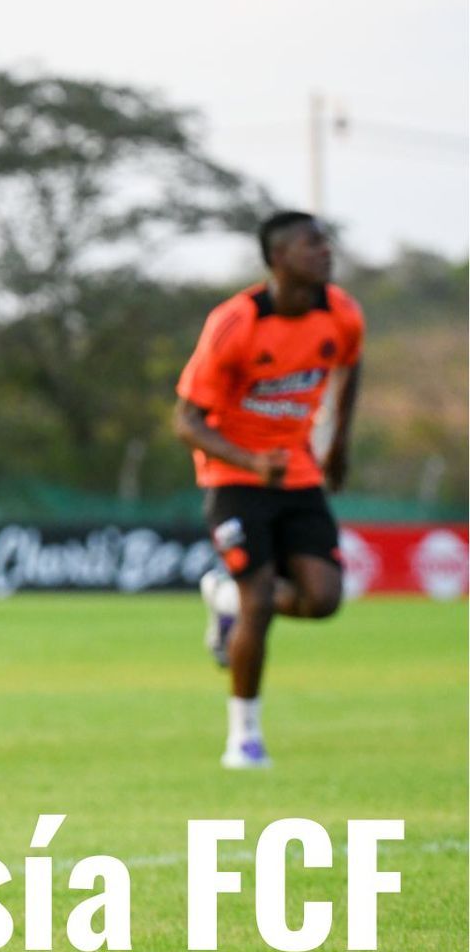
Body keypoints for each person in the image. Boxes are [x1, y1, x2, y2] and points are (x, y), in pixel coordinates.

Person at [173, 211, 363, 770]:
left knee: (323, 598)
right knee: (261, 603)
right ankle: (244, 739)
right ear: (278, 258)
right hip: (234, 479)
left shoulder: (342, 313)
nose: (325, 251)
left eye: (326, 242)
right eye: (312, 244)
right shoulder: (235, 323)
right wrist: (251, 460)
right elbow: (187, 421)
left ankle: (223, 597)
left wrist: (338, 445)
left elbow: (353, 366)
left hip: (299, 474)